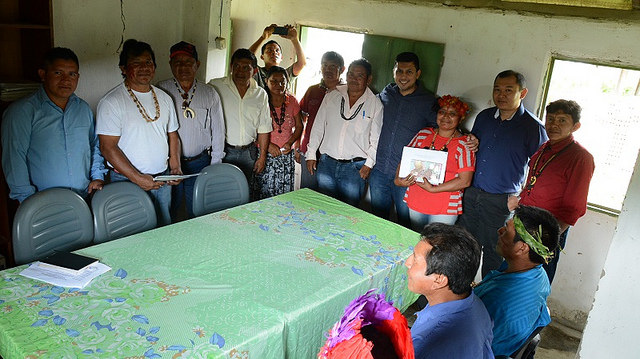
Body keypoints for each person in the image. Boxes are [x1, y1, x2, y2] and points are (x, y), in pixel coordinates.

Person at [456, 70, 547, 277]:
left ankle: (490, 300)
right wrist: (472, 143)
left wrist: (518, 199)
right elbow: (473, 149)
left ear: (522, 93)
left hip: (500, 202)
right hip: (471, 194)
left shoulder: (533, 128)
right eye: (497, 89)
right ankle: (463, 296)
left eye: (509, 90)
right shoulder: (485, 117)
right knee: (465, 247)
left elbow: (539, 171)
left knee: (494, 253)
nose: (501, 95)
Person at [2, 47, 106, 203]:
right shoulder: (22, 112)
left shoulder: (83, 109)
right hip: (42, 202)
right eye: (58, 73)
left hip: (83, 197)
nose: (66, 80)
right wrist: (28, 202)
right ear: (43, 75)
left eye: (72, 74)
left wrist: (98, 176)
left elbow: (94, 145)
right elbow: (14, 158)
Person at [97, 39, 181, 226]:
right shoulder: (112, 101)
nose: (144, 67)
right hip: (126, 180)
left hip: (162, 179)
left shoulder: (165, 98)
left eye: (148, 62)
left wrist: (175, 167)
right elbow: (107, 147)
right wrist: (137, 178)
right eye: (136, 63)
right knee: (129, 232)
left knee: (162, 229)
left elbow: (172, 135)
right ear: (124, 68)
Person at [516, 100, 594, 283]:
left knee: (536, 280)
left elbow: (574, 205)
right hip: (526, 220)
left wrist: (550, 236)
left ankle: (536, 311)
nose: (554, 125)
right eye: (550, 119)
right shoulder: (545, 147)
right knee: (516, 276)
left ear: (575, 126)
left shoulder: (581, 157)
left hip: (548, 229)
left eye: (562, 121)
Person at [474, 205, 560, 357]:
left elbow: (469, 344)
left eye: (506, 230)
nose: (499, 231)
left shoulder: (498, 301)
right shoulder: (539, 274)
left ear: (521, 248)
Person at [157, 41, 225, 220]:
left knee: (199, 210)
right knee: (169, 210)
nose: (183, 67)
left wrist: (215, 163)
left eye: (188, 62)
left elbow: (218, 130)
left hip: (200, 162)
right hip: (169, 165)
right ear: (170, 65)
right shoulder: (161, 90)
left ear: (197, 65)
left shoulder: (209, 92)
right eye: (177, 62)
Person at [405, 223, 494, 359]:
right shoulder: (472, 301)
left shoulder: (426, 343)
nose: (407, 262)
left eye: (415, 259)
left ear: (439, 280)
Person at [369, 52, 437, 227]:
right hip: (379, 170)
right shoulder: (386, 93)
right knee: (377, 220)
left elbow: (441, 129)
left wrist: (467, 137)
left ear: (418, 74)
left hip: (409, 176)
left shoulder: (428, 101)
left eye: (409, 72)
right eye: (399, 71)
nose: (403, 76)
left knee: (407, 224)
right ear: (394, 72)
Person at [305, 59, 383, 207]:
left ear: (369, 79)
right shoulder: (332, 96)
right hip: (327, 163)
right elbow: (318, 126)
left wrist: (369, 164)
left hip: (355, 169)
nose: (354, 79)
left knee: (348, 211)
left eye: (360, 75)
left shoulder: (375, 103)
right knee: (323, 207)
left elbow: (376, 138)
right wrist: (311, 154)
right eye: (351, 74)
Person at [394, 95, 474, 231]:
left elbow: (464, 181)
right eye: (442, 112)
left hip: (445, 207)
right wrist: (398, 179)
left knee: (437, 244)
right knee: (417, 237)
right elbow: (405, 160)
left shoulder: (465, 144)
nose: (445, 117)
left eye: (452, 114)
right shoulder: (423, 134)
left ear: (461, 118)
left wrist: (433, 189)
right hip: (417, 199)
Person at [209, 49, 272, 198]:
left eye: (246, 68)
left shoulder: (260, 94)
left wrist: (262, 157)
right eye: (236, 66)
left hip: (248, 154)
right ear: (231, 66)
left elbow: (264, 127)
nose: (240, 71)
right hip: (224, 151)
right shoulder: (215, 86)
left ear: (254, 70)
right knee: (220, 191)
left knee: (242, 192)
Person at [298, 51, 345, 190]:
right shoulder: (312, 91)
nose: (328, 70)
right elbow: (301, 118)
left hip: (332, 154)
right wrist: (298, 146)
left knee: (328, 195)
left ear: (342, 69)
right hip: (308, 150)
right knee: (307, 192)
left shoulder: (346, 93)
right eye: (324, 65)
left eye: (333, 66)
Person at [253, 66, 302, 199]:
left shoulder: (292, 101)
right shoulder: (259, 100)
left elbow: (299, 126)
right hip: (264, 155)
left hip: (286, 155)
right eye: (274, 81)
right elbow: (252, 129)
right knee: (263, 192)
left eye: (282, 81)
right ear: (266, 81)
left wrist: (290, 143)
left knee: (283, 194)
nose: (279, 85)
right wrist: (268, 146)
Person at [248, 24, 306, 89]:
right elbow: (246, 57)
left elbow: (301, 64)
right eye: (269, 50)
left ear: (281, 57)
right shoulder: (258, 72)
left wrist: (295, 39)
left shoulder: (285, 75)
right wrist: (263, 37)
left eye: (277, 50)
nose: (274, 53)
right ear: (262, 57)